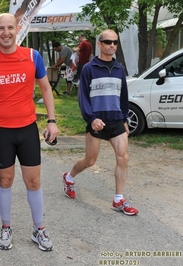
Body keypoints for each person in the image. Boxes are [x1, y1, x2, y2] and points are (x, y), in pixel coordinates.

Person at [0, 13, 59, 252]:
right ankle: (6, 227)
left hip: (27, 129)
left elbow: (45, 89)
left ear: (17, 28)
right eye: (1, 28)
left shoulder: (32, 56)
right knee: (5, 180)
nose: (6, 33)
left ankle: (39, 229)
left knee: (33, 181)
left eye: (10, 28)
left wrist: (52, 121)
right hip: (1, 131)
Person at [62, 29, 139, 216]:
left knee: (124, 158)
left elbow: (123, 97)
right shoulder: (89, 68)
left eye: (115, 42)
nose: (112, 45)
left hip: (116, 121)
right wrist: (91, 118)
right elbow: (83, 98)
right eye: (108, 42)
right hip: (96, 120)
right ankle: (69, 177)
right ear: (99, 44)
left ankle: (118, 199)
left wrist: (125, 119)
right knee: (90, 160)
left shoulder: (120, 69)